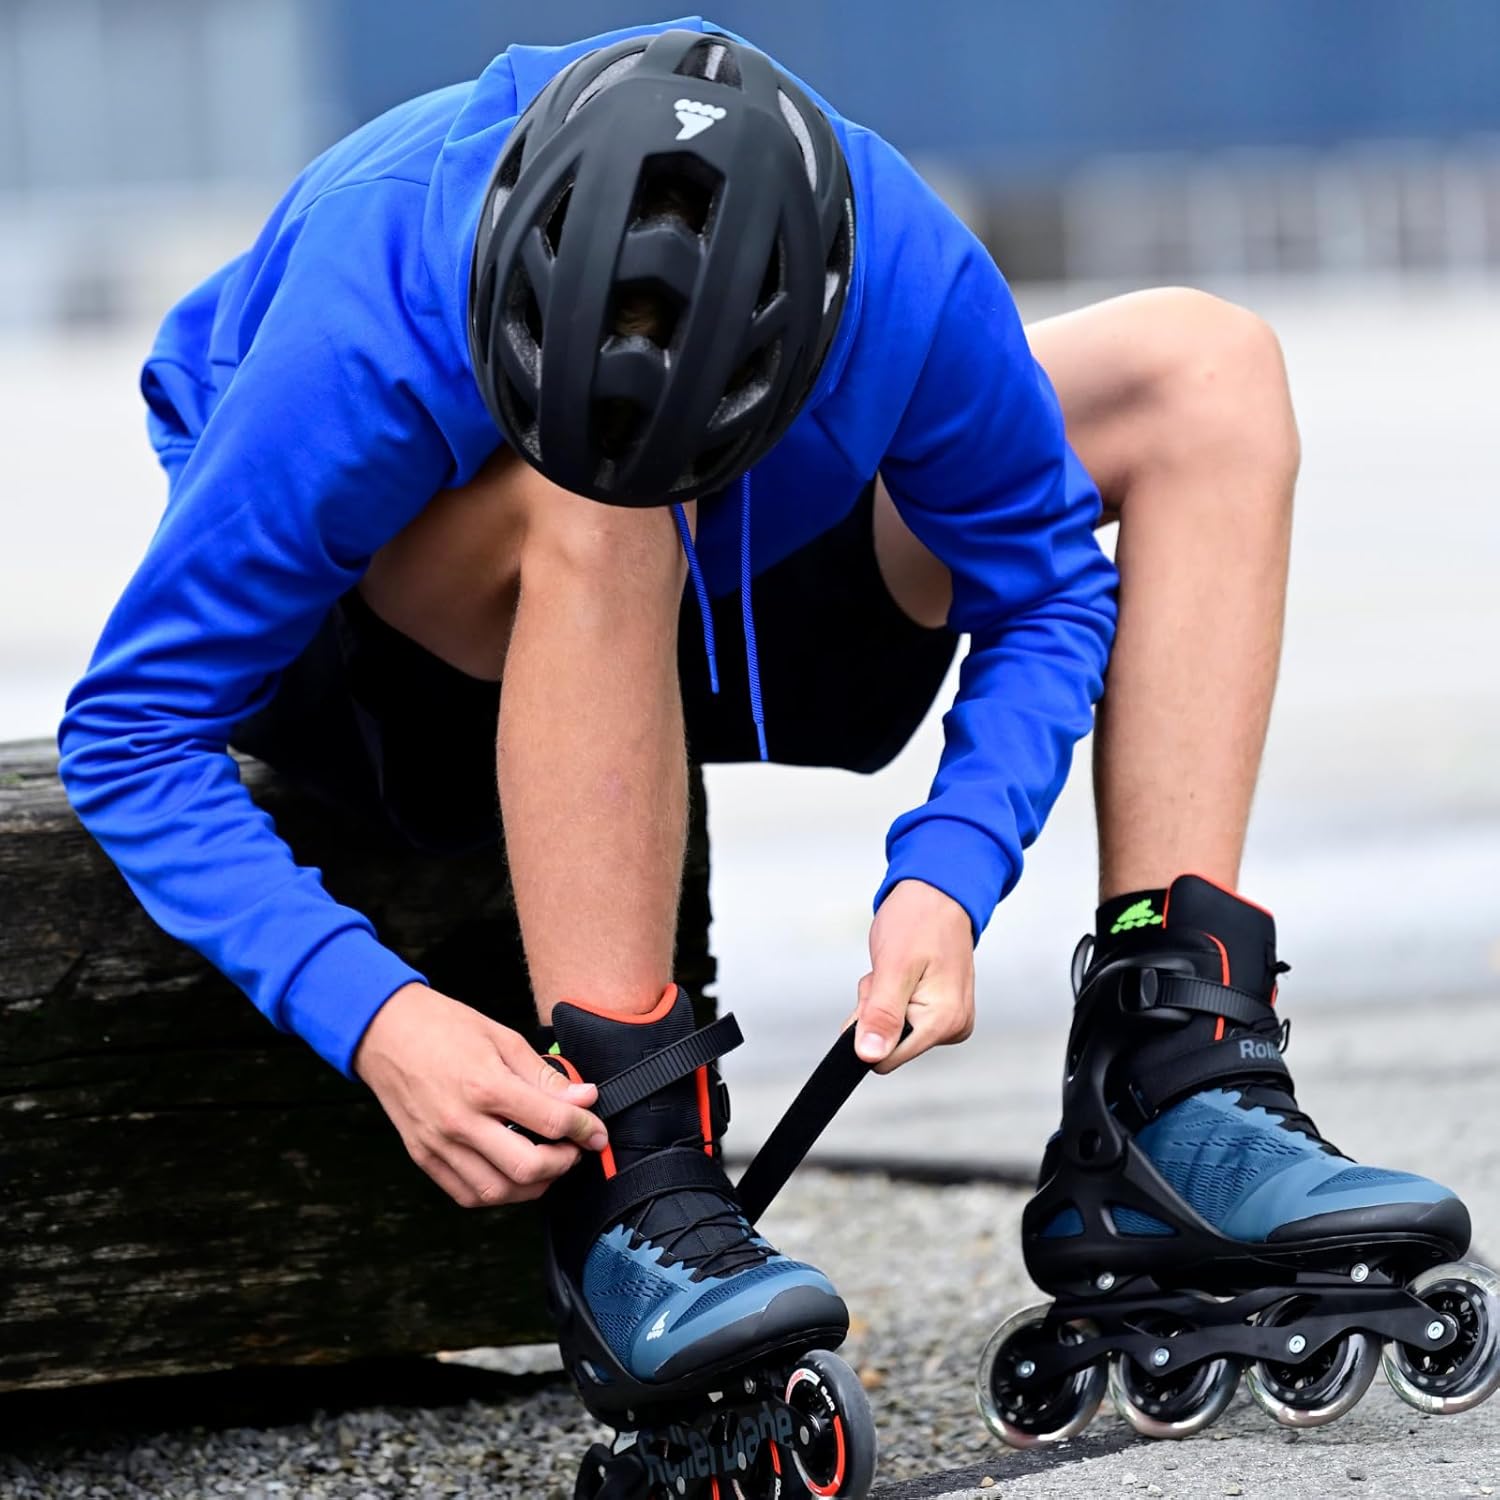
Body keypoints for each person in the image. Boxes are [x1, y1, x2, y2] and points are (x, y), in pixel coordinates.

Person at [59, 16, 1468, 1455]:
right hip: (410, 668)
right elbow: (132, 732)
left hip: (745, 593)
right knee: (605, 493)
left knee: (1202, 368)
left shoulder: (897, 261)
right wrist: (380, 1017)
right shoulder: (362, 311)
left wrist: (949, 872)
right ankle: (641, 1182)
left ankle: (1171, 1083)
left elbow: (1043, 581)